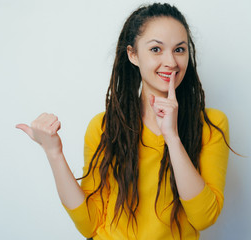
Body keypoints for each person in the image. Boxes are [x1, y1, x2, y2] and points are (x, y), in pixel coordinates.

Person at [16, 3, 231, 240]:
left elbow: (204, 218)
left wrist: (172, 137)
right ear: (133, 55)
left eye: (179, 49)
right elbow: (90, 223)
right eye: (156, 49)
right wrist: (54, 153)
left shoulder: (211, 125)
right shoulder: (104, 127)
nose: (171, 61)